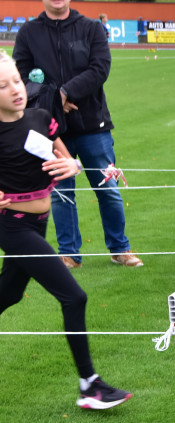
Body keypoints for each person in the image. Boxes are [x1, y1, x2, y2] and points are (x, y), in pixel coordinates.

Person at [0, 54, 131, 410]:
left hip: (37, 225)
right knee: (74, 297)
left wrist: (70, 164)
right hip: (13, 230)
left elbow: (66, 161)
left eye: (16, 80)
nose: (15, 89)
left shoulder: (40, 117)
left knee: (7, 296)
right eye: (3, 85)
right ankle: (90, 386)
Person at [14, 0, 143, 270]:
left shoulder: (91, 28)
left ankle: (120, 248)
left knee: (107, 188)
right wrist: (53, 99)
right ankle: (69, 254)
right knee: (62, 193)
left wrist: (66, 92)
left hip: (92, 124)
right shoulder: (29, 32)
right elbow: (23, 78)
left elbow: (100, 69)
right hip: (50, 129)